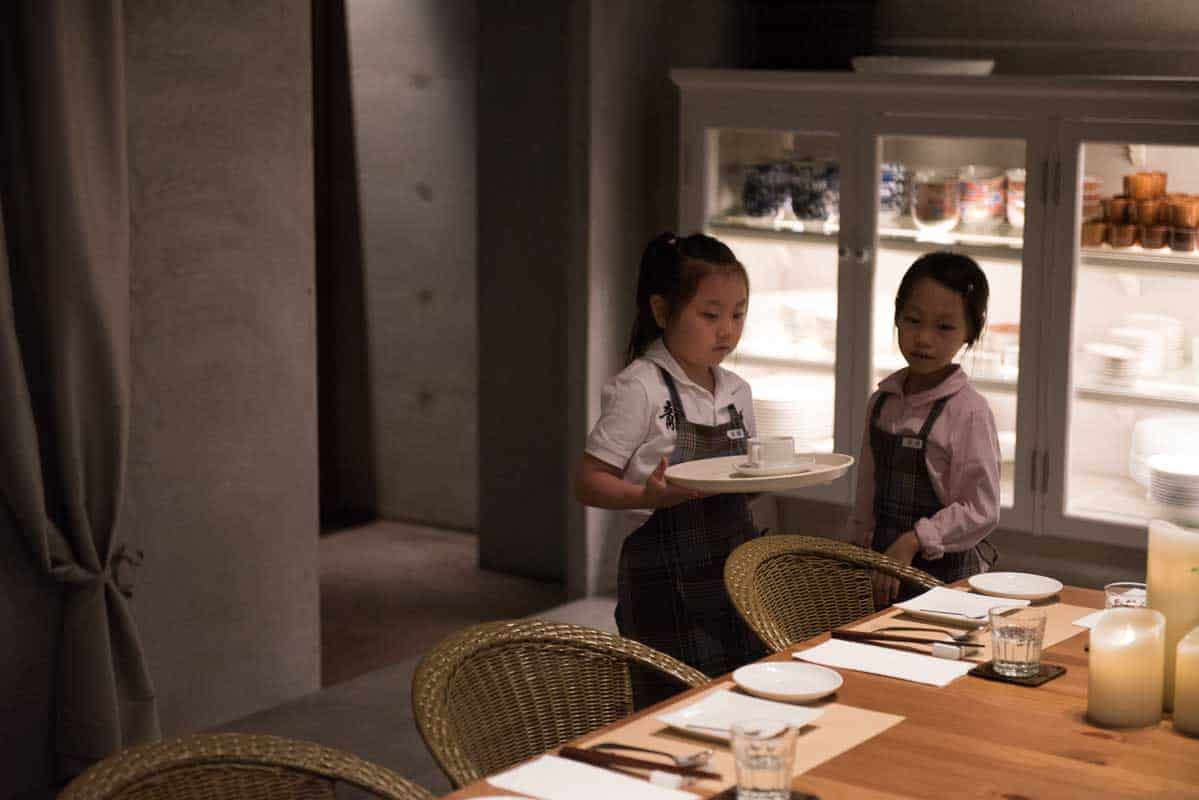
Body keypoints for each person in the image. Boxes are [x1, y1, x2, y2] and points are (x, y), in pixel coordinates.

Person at [574, 231, 765, 704]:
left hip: (731, 571)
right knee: (672, 705)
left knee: (740, 694)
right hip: (663, 579)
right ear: (662, 312)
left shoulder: (737, 390)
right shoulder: (641, 388)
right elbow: (588, 481)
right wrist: (645, 497)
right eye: (710, 315)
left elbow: (746, 477)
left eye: (738, 314)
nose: (727, 331)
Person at [848, 251, 1001, 608]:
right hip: (881, 569)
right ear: (897, 317)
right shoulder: (882, 402)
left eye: (944, 327)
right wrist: (856, 549)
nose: (924, 338)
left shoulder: (968, 412)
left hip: (944, 578)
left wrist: (914, 540)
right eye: (913, 320)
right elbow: (866, 493)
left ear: (971, 332)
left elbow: (980, 508)